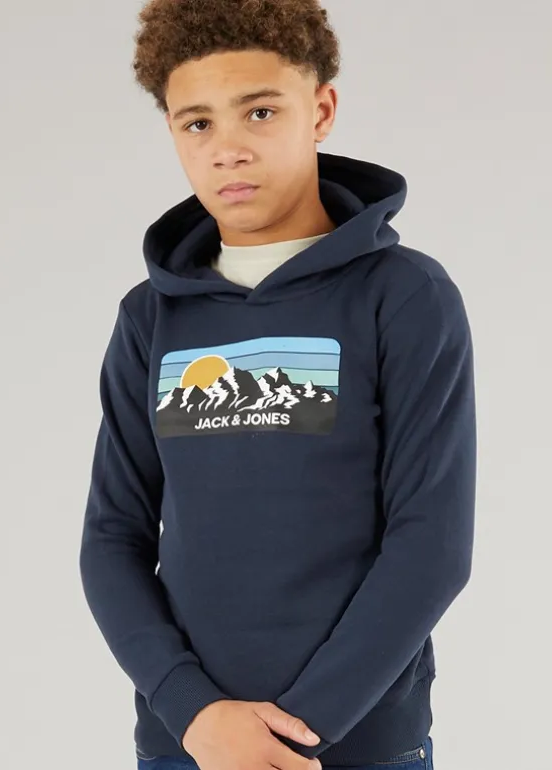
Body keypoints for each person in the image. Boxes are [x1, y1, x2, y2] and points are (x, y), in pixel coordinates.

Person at [79, 2, 476, 769]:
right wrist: (193, 713)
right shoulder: (150, 317)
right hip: (188, 746)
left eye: (259, 111)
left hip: (354, 748)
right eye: (198, 123)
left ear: (320, 111)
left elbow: (431, 543)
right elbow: (112, 538)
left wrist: (297, 729)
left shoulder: (403, 296)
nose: (228, 149)